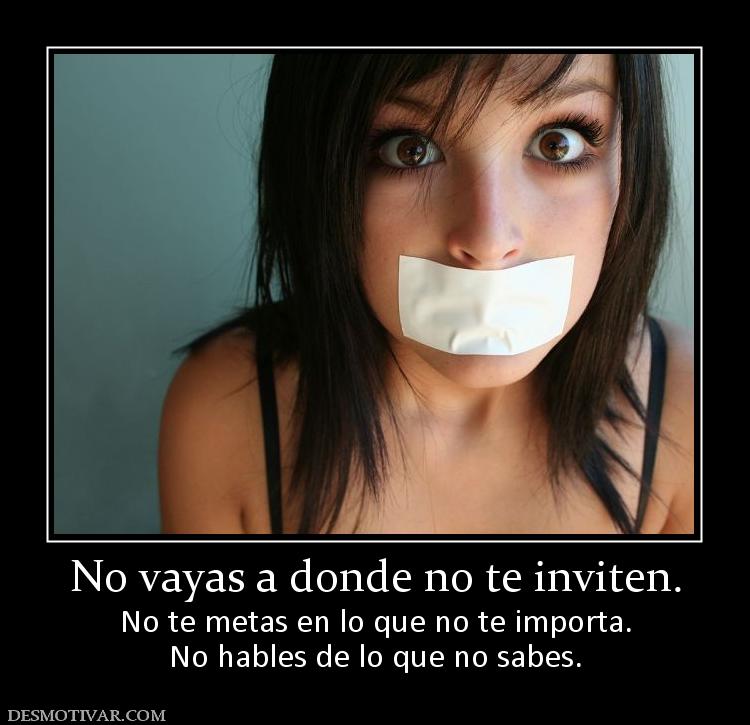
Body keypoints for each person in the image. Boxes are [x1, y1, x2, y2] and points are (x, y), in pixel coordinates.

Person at [158, 53, 695, 535]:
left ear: (631, 157)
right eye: (410, 150)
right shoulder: (231, 417)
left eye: (559, 142)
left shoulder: (683, 415)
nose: (489, 241)